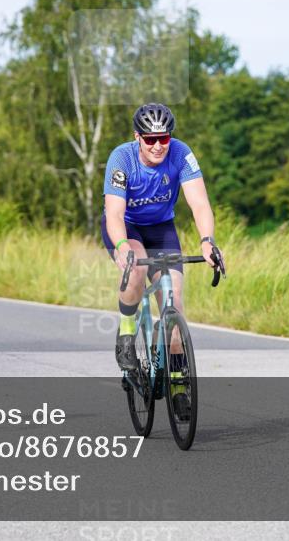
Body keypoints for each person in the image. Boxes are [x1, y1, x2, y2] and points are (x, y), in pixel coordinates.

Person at [101, 103, 224, 416]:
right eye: (150, 139)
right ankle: (127, 334)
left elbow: (199, 204)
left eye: (163, 139)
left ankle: (180, 387)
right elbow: (114, 212)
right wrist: (120, 245)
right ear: (137, 137)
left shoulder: (181, 154)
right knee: (137, 266)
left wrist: (207, 242)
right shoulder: (121, 158)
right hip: (126, 227)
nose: (158, 146)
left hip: (161, 229)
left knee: (174, 304)